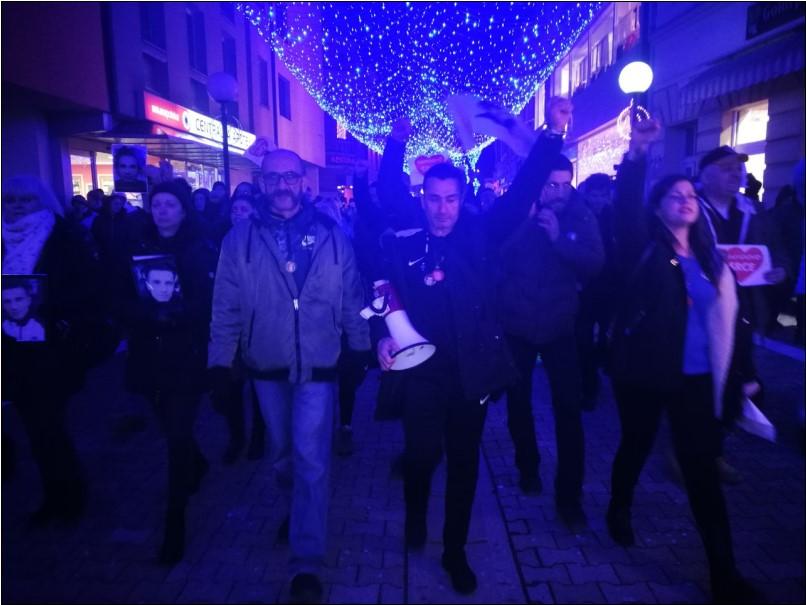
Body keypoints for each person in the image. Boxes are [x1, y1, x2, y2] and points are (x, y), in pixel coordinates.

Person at [372, 100, 571, 595]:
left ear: (461, 200)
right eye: (435, 199)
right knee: (420, 457)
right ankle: (417, 515)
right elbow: (382, 286)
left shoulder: (483, 234)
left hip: (470, 373)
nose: (443, 208)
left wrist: (550, 137)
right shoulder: (406, 233)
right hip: (420, 370)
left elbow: (524, 188)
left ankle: (455, 551)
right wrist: (382, 337)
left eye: (451, 199)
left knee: (463, 464)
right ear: (423, 199)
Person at [606, 120, 761, 604]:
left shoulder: (709, 257)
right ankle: (619, 508)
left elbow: (731, 321)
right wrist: (638, 153)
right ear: (658, 208)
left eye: (688, 194)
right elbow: (626, 208)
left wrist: (743, 374)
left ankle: (724, 574)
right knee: (635, 445)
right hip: (649, 374)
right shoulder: (644, 245)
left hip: (696, 380)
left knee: (702, 474)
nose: (684, 199)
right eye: (673, 195)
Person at [208, 149, 370, 604]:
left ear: (302, 182)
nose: (282, 185)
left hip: (318, 365)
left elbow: (350, 293)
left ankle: (306, 562)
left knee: (312, 459)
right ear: (262, 182)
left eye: (290, 177)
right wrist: (220, 361)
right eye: (273, 177)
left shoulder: (331, 236)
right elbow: (225, 305)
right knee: (282, 456)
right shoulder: (238, 240)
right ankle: (297, 509)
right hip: (266, 362)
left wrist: (358, 347)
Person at [496, 106, 603, 529]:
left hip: (560, 327)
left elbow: (596, 261)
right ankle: (527, 466)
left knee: (568, 412)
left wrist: (560, 239)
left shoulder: (580, 214)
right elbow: (495, 255)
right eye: (550, 184)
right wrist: (526, 224)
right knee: (519, 405)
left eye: (564, 184)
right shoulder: (519, 209)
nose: (557, 191)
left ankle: (569, 495)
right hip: (518, 325)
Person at [120, 180, 217, 565]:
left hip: (185, 356)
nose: (162, 211)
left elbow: (211, 300)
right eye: (156, 204)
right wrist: (140, 312)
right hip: (149, 356)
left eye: (170, 205)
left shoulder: (199, 248)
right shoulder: (136, 246)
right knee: (170, 427)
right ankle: (197, 461)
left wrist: (179, 313)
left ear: (183, 210)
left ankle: (174, 522)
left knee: (176, 435)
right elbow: (117, 293)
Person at [1, 175, 99, 526]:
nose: (16, 206)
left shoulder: (61, 237)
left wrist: (50, 307)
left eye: (24, 199)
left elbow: (86, 288)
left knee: (48, 425)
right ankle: (54, 491)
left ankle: (67, 494)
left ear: (40, 201)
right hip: (11, 348)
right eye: (10, 199)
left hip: (51, 349)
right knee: (32, 424)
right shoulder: (2, 238)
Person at [697, 145, 789, 484]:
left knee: (734, 376)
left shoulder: (753, 210)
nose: (735, 173)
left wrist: (779, 269)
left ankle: (715, 446)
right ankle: (697, 444)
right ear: (705, 174)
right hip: (702, 310)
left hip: (744, 310)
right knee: (704, 378)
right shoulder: (692, 208)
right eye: (726, 168)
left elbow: (775, 251)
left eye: (737, 168)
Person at [576, 173, 617, 411]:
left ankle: (604, 370)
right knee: (583, 339)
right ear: (587, 194)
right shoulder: (579, 217)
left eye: (603, 194)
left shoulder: (616, 218)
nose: (599, 199)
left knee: (606, 337)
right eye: (595, 194)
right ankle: (589, 386)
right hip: (585, 289)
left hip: (610, 289)